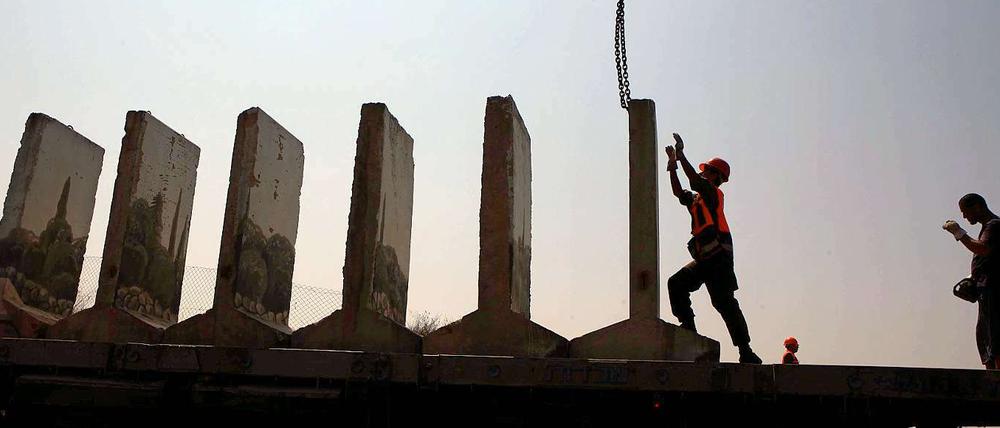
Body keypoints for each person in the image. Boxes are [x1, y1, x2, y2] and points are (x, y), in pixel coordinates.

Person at [664, 133, 761, 364]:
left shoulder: (712, 193)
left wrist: (681, 155)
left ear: (716, 177)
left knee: (724, 303)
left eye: (707, 170)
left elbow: (693, 182)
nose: (702, 172)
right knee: (676, 284)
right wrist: (672, 166)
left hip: (719, 260)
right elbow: (679, 192)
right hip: (705, 258)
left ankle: (745, 351)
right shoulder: (698, 199)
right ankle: (688, 327)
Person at [943, 193, 1000, 369]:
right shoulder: (988, 227)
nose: (964, 216)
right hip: (986, 292)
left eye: (965, 212)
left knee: (995, 339)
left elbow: (982, 249)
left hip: (994, 293)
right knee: (986, 339)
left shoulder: (994, 225)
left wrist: (958, 232)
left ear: (976, 206)